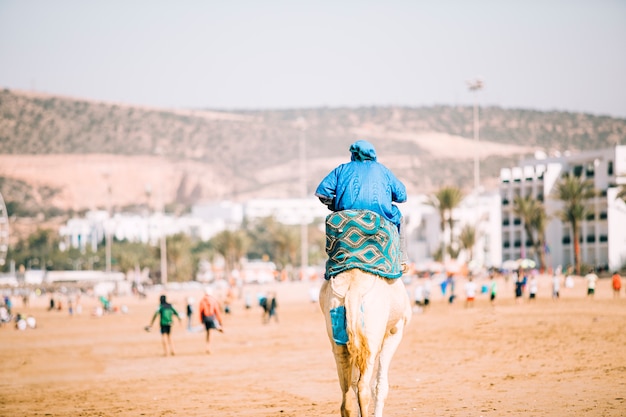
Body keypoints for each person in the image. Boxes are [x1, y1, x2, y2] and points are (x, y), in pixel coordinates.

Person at [315, 139, 408, 268]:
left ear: (352, 154)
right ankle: (401, 259)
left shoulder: (342, 169)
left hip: (347, 217)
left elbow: (323, 193)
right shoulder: (383, 170)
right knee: (399, 217)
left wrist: (336, 205)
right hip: (380, 216)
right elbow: (402, 196)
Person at [198, 287, 224, 354]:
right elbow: (217, 311)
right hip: (211, 317)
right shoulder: (213, 300)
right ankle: (208, 347)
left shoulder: (202, 300)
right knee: (210, 333)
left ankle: (207, 346)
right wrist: (220, 321)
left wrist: (201, 320)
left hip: (205, 318)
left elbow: (200, 311)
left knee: (208, 332)